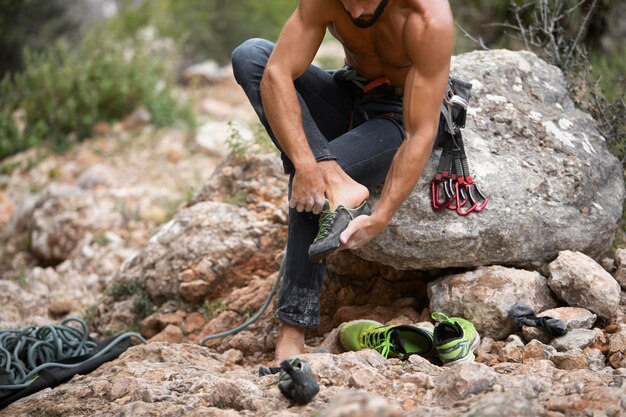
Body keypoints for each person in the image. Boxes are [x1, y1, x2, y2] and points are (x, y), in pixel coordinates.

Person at [231, 0, 454, 367]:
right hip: (348, 94)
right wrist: (308, 163)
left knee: (310, 192)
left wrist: (381, 216)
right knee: (251, 55)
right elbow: (277, 74)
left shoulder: (427, 18)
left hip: (396, 116)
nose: (352, 10)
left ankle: (292, 332)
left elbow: (420, 132)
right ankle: (333, 176)